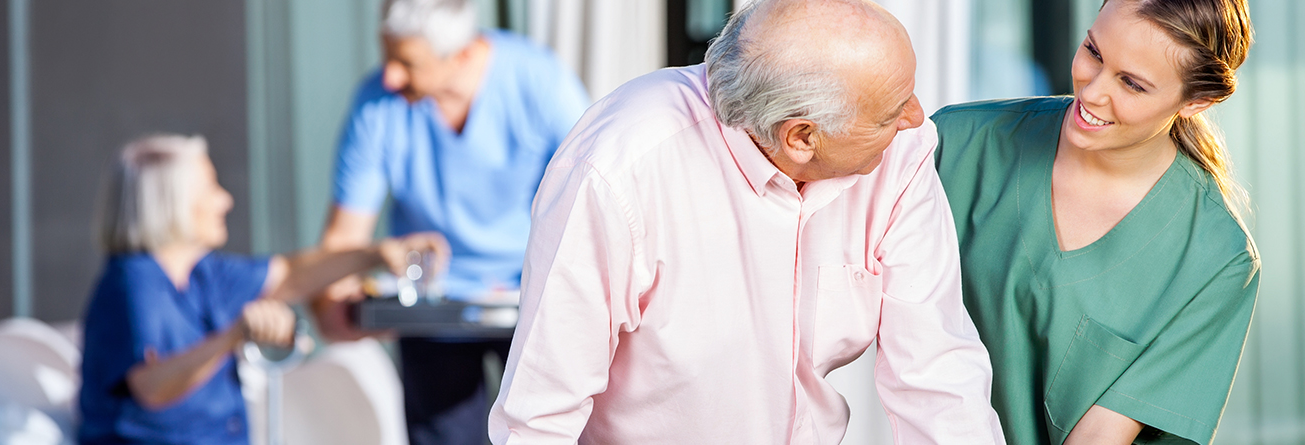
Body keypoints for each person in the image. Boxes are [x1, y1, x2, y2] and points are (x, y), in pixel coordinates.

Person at [488, 0, 1006, 443]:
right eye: (892, 111)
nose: (917, 118)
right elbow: (539, 415)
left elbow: (937, 377)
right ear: (800, 138)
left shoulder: (902, 155)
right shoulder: (618, 169)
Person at [929, 0, 1260, 443]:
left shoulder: (1217, 260)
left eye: (1132, 84)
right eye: (1094, 52)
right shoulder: (955, 145)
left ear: (1196, 102)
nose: (1091, 92)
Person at [311, 0, 591, 443]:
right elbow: (344, 237)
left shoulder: (541, 84)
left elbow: (592, 208)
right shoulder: (376, 105)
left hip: (534, 300)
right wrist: (332, 309)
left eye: (407, 62)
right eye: (387, 57)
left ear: (463, 54)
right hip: (433, 310)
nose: (391, 76)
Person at [78, 134, 438, 445]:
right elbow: (152, 387)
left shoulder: (206, 273)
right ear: (171, 202)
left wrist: (375, 254)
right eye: (211, 188)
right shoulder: (133, 283)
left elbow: (291, 276)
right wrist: (232, 337)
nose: (225, 201)